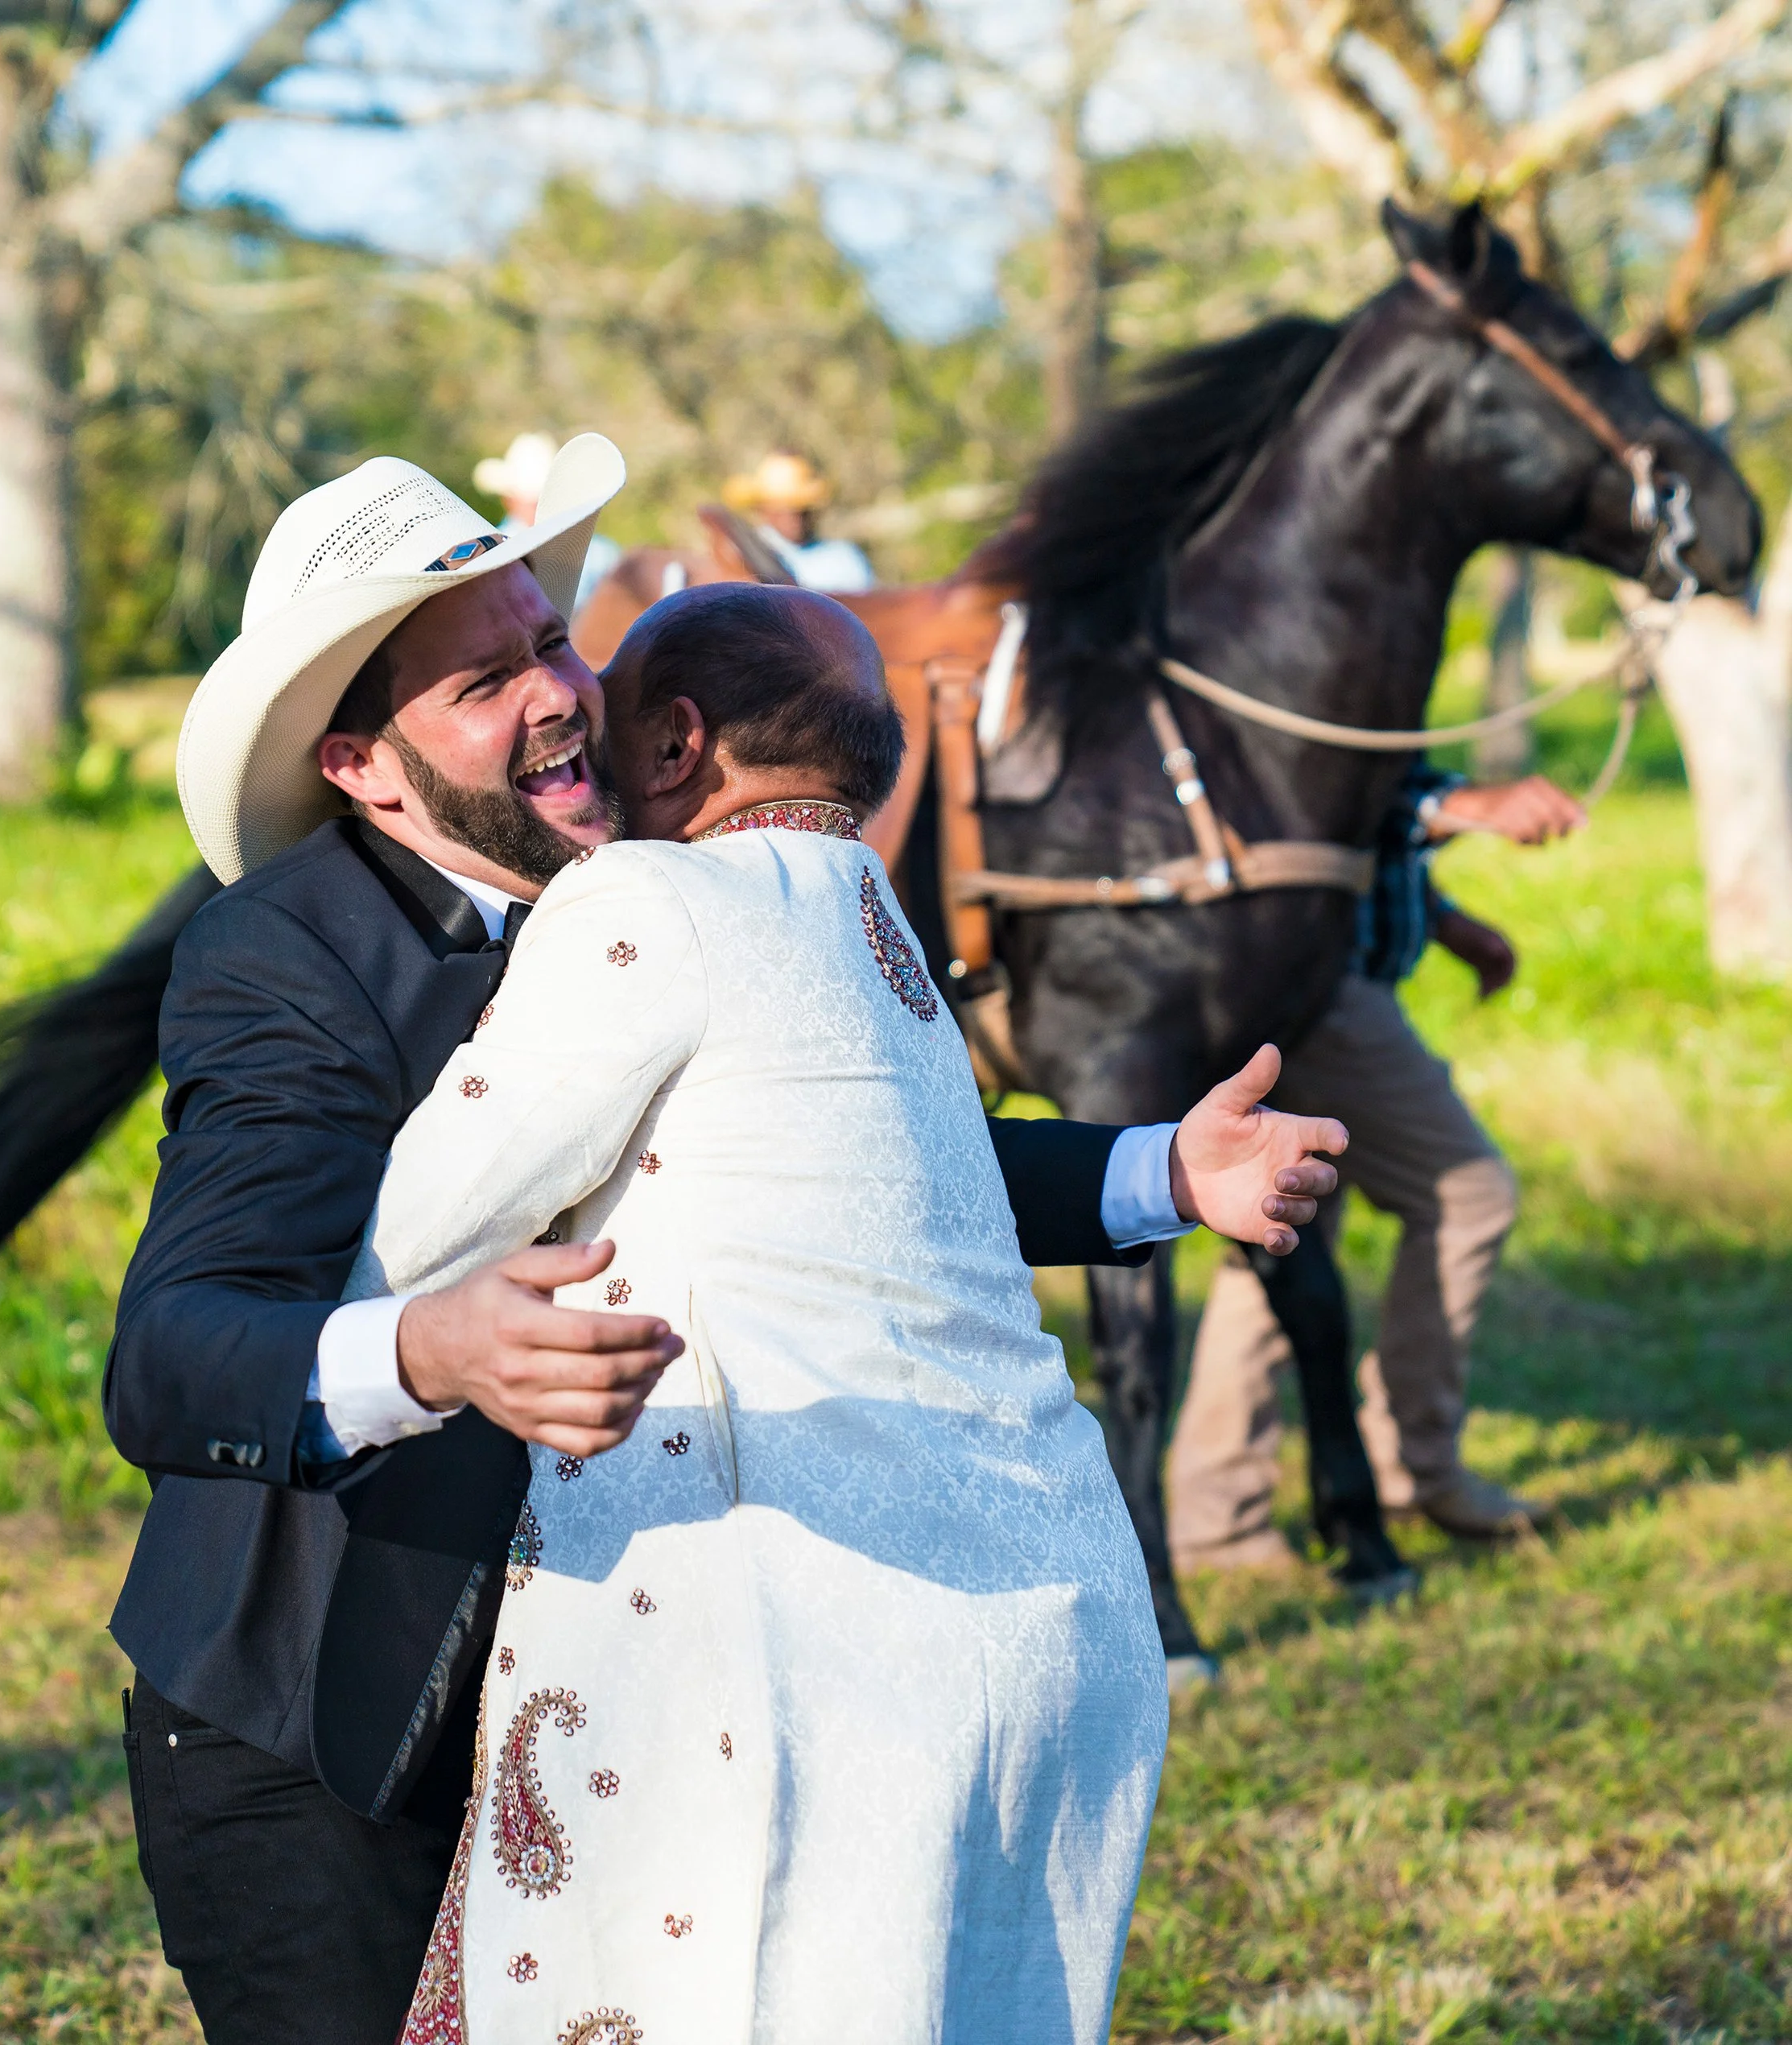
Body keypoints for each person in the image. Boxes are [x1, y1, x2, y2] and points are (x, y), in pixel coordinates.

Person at [109, 449, 1343, 2045]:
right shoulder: (281, 960)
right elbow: (173, 1347)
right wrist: (428, 1347)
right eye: (488, 680)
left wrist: (1156, 1169)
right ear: (361, 764)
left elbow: (854, 1149)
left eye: (551, 641)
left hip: (620, 1691)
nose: (562, 695)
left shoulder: (696, 891)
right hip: (326, 1717)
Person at [1166, 763, 1585, 1568]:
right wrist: (1459, 807)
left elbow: (1353, 823)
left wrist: (1444, 920)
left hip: (1304, 981)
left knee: (1281, 1231)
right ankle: (1415, 1465)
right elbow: (1313, 782)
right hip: (1319, 993)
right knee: (1469, 1192)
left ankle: (1217, 1509)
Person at [477, 431, 622, 606]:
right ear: (509, 500)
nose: (536, 509)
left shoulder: (603, 556)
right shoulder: (490, 555)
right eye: (531, 502)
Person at [723, 449, 876, 593]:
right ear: (762, 509)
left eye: (800, 507)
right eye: (780, 506)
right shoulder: (742, 558)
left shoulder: (844, 559)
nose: (793, 515)